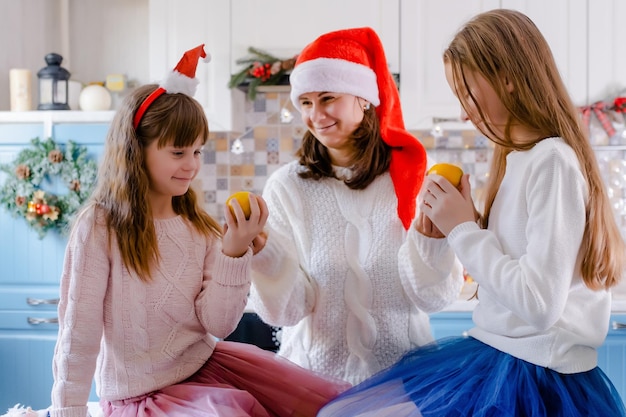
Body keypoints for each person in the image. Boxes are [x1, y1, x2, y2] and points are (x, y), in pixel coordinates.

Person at [317, 9, 626, 417]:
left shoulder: (552, 161)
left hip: (532, 372)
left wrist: (463, 228)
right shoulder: (520, 160)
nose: (464, 113)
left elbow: (538, 304)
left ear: (508, 78)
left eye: (467, 93)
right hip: (504, 357)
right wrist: (453, 227)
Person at [49, 44, 350, 417]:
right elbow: (77, 335)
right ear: (135, 150)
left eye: (197, 152)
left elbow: (218, 325)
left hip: (208, 373)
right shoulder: (100, 227)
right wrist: (68, 411)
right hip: (140, 398)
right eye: (178, 153)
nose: (191, 166)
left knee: (327, 408)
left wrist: (235, 252)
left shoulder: (200, 227)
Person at [248, 27, 464, 385]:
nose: (316, 115)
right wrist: (264, 259)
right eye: (305, 102)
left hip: (403, 386)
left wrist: (434, 242)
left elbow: (435, 298)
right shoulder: (287, 187)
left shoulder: (409, 179)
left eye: (327, 98)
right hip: (311, 386)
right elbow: (287, 311)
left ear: (364, 98)